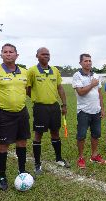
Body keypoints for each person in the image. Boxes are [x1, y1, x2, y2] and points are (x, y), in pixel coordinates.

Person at [0, 43, 30, 191]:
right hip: (3, 114)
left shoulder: (25, 72)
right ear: (1, 55)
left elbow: (27, 89)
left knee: (22, 143)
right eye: (5, 52)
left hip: (22, 112)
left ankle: (22, 171)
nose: (8, 54)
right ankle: (2, 176)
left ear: (17, 55)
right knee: (3, 146)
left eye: (11, 52)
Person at [27, 47, 70, 175]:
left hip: (54, 107)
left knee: (55, 132)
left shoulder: (55, 70)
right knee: (38, 134)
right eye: (43, 54)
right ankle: (37, 163)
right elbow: (27, 89)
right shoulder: (32, 71)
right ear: (37, 56)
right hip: (40, 108)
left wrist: (64, 104)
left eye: (48, 54)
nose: (46, 56)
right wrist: (37, 98)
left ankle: (58, 159)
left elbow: (60, 88)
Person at [72, 53, 106, 169]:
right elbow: (80, 92)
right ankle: (81, 158)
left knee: (96, 134)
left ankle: (94, 155)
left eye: (90, 61)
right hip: (83, 111)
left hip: (96, 110)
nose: (88, 63)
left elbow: (99, 93)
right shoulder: (77, 75)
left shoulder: (96, 75)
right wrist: (92, 84)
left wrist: (102, 108)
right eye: (86, 61)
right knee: (81, 135)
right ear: (80, 63)